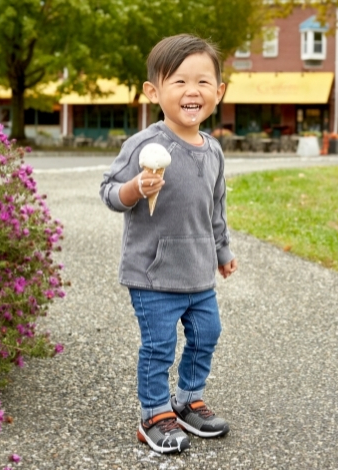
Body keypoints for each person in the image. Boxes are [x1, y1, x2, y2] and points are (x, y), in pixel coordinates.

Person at [99, 34, 237, 455]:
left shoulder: (212, 150)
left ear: (219, 91)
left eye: (202, 82)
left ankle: (188, 398)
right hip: (154, 275)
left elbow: (216, 208)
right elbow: (108, 192)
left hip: (198, 272)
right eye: (178, 82)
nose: (191, 91)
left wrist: (223, 251)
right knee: (159, 346)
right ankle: (154, 414)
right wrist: (136, 188)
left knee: (206, 334)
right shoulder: (144, 145)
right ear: (153, 91)